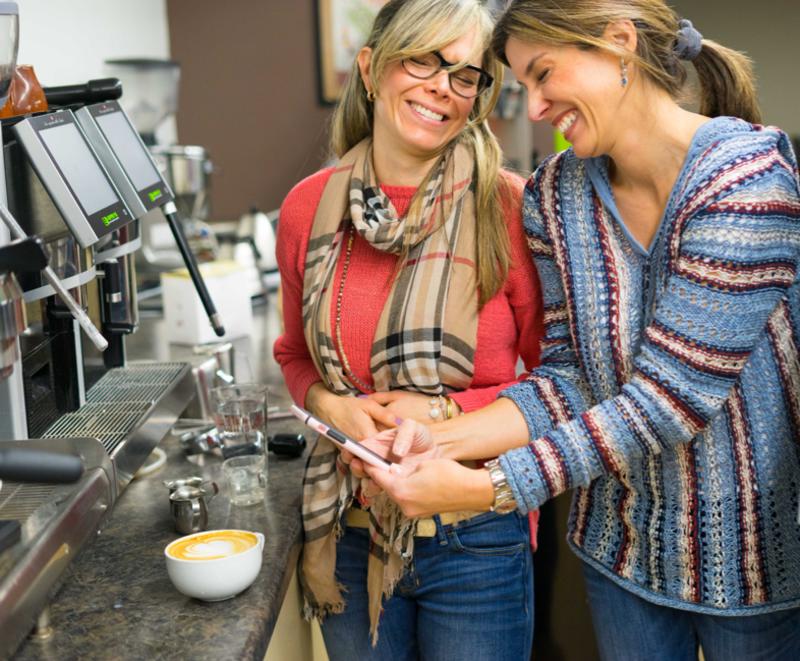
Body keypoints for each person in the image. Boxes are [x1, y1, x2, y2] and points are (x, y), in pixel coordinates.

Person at [361, 1, 800, 659]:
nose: (534, 107)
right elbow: (570, 375)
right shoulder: (553, 196)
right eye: (522, 85)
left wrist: (489, 486)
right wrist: (439, 440)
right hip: (618, 552)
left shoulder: (747, 179)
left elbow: (670, 400)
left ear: (618, 42)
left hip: (750, 554)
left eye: (543, 74)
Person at [272, 0, 544, 658]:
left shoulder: (511, 206)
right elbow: (293, 356)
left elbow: (554, 379)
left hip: (476, 536)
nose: (440, 89)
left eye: (465, 73)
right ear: (371, 69)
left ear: (481, 95)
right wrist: (331, 403)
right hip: (347, 527)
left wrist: (445, 410)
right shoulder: (309, 206)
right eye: (422, 59)